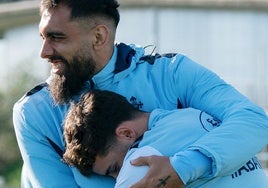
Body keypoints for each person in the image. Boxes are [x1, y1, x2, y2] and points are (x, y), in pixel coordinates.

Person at [12, 0, 268, 187]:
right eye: (43, 37)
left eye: (57, 37)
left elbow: (253, 121)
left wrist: (182, 168)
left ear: (99, 36)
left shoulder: (172, 73)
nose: (44, 52)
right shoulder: (34, 112)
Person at [63, 89, 268, 188]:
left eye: (114, 168)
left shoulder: (141, 162)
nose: (118, 177)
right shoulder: (195, 114)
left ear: (126, 133)